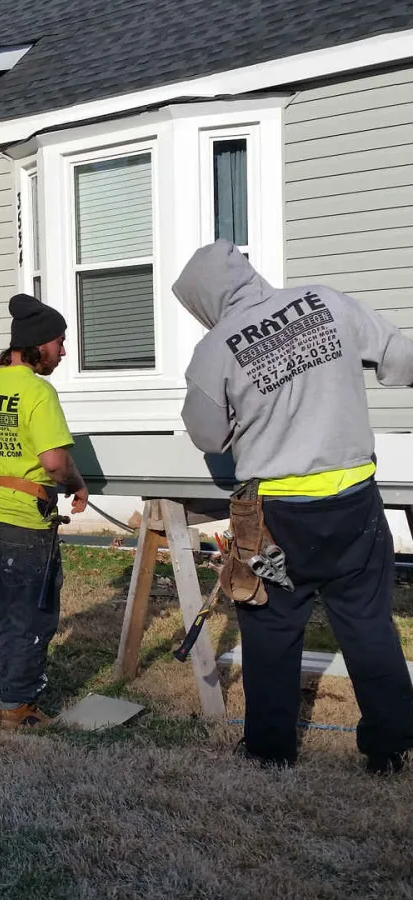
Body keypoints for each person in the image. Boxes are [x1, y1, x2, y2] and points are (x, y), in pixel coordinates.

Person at [173, 238, 413, 773]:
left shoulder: (216, 348)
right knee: (368, 622)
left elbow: (208, 436)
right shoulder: (325, 301)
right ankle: (391, 746)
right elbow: (399, 356)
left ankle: (270, 750)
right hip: (354, 501)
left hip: (277, 515)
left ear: (204, 301)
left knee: (272, 629)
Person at [0, 293, 88, 729]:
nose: (63, 351)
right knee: (32, 613)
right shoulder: (38, 391)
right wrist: (77, 483)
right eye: (59, 342)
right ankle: (19, 707)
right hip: (22, 521)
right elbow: (54, 462)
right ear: (38, 344)